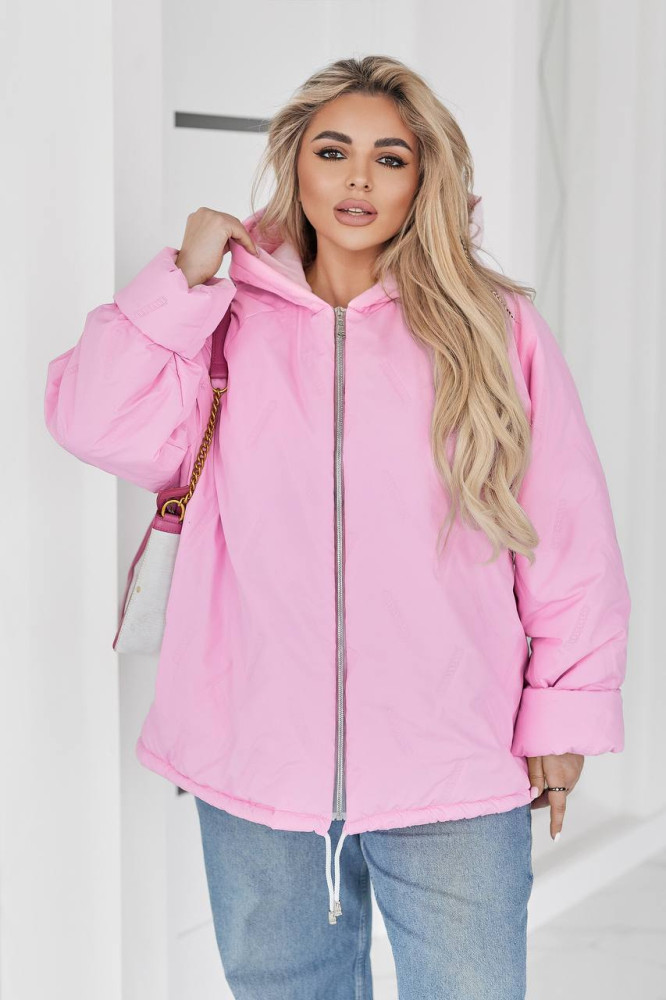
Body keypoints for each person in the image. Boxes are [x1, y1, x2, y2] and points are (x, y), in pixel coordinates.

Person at [44, 55, 631, 1000]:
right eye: (333, 151)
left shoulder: (492, 325)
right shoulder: (222, 318)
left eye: (389, 158)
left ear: (423, 178)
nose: (358, 179)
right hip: (254, 749)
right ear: (296, 163)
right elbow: (91, 421)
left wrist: (562, 710)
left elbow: (567, 533)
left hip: (457, 750)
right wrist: (181, 281)